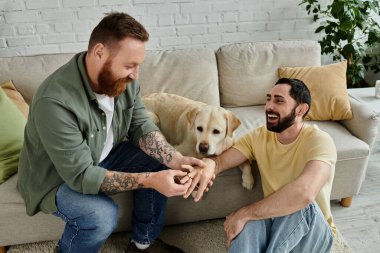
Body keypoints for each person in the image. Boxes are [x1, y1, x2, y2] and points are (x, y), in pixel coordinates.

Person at [17, 12, 206, 253]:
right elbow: (81, 175)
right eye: (129, 66)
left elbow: (141, 126)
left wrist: (176, 159)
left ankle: (142, 244)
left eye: (138, 66)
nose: (135, 75)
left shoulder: (125, 82)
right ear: (99, 53)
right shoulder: (54, 101)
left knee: (160, 161)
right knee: (101, 215)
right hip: (56, 178)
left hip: (103, 156)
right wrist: (150, 180)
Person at [183, 78, 337, 252]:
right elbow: (220, 161)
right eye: (268, 99)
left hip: (312, 233)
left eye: (278, 101)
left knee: (300, 205)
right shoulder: (258, 137)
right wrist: (209, 166)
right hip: (276, 225)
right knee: (249, 223)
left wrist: (244, 213)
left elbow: (305, 193)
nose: (269, 107)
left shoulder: (320, 140)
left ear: (301, 109)